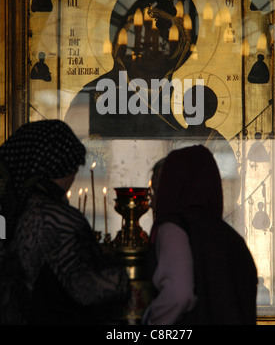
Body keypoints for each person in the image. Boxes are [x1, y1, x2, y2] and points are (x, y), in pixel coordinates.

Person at [0, 119, 130, 325]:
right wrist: (120, 267)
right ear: (60, 165)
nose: (73, 178)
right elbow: (91, 289)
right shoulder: (55, 218)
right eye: (74, 167)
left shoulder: (18, 210)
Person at [143, 145, 258, 325]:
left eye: (159, 189)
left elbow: (179, 294)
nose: (152, 203)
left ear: (174, 187)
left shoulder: (174, 229)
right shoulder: (233, 239)